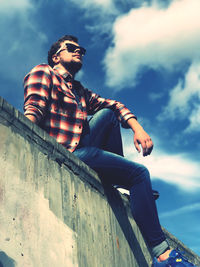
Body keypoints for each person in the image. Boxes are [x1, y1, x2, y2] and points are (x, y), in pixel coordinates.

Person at [23, 35, 196, 267]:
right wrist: (26, 136)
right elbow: (34, 107)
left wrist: (137, 128)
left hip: (84, 148)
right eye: (72, 48)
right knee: (139, 173)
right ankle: (163, 256)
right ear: (56, 57)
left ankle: (117, 181)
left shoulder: (80, 91)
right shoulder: (44, 72)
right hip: (66, 150)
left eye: (81, 49)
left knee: (107, 114)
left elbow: (114, 104)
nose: (79, 52)